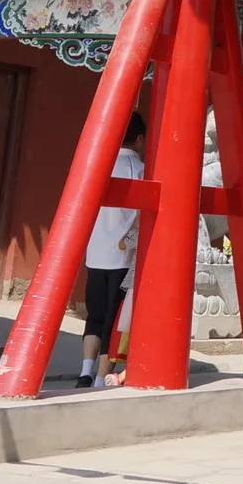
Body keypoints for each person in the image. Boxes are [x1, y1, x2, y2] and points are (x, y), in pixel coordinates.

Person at [79, 113, 147, 387]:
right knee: (113, 319)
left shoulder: (98, 166)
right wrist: (127, 239)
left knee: (94, 315)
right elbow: (142, 216)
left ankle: (84, 371)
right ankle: (99, 379)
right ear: (140, 139)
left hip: (95, 253)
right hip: (122, 257)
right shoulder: (140, 170)